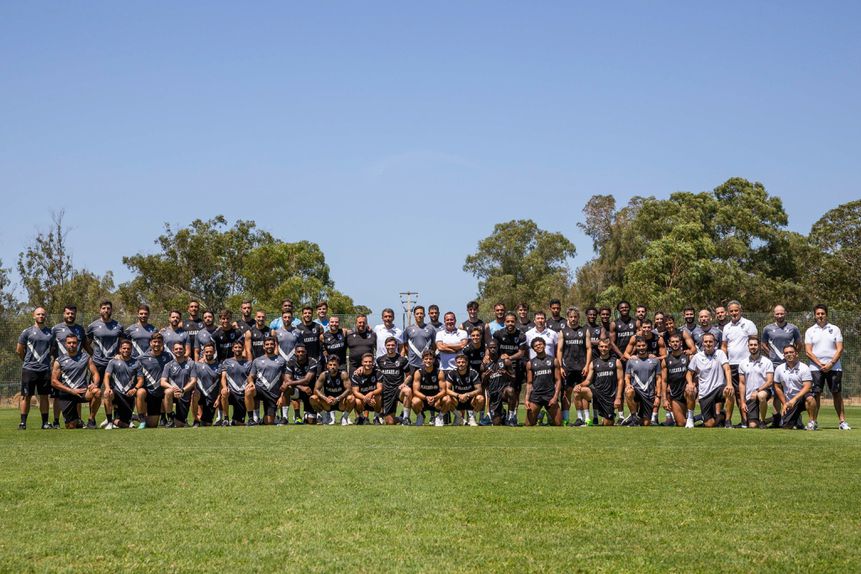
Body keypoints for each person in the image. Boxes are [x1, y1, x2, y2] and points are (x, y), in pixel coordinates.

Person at [804, 304, 850, 430]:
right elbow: (808, 351)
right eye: (818, 314)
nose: (820, 316)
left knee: (836, 394)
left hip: (834, 368)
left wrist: (830, 364)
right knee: (816, 395)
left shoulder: (835, 329)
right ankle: (812, 422)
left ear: (826, 314)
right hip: (815, 368)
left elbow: (840, 349)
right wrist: (820, 364)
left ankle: (842, 422)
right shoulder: (810, 331)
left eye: (822, 313)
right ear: (815, 315)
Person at [761, 304, 802, 426]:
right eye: (777, 313)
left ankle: (795, 418)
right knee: (777, 393)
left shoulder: (793, 328)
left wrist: (792, 357)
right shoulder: (767, 329)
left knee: (792, 391)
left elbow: (799, 343)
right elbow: (763, 344)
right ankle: (777, 419)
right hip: (774, 365)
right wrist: (771, 354)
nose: (779, 315)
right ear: (774, 314)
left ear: (785, 313)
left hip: (789, 365)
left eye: (781, 313)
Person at [51, 333, 102, 429]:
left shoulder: (85, 357)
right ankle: (77, 421)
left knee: (97, 392)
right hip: (67, 394)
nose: (72, 345)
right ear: (65, 344)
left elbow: (95, 373)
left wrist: (95, 384)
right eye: (69, 343)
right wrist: (71, 391)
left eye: (74, 343)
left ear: (77, 344)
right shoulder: (59, 360)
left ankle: (91, 420)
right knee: (71, 426)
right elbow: (53, 381)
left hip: (83, 392)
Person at [86, 300, 125, 423]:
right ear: (100, 310)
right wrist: (94, 355)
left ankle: (116, 418)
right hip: (98, 364)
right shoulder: (93, 326)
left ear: (111, 310)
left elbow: (123, 343)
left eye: (108, 308)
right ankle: (91, 418)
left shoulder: (118, 326)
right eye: (103, 308)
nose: (106, 310)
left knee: (116, 391)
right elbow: (86, 344)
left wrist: (119, 354)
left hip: (114, 364)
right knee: (94, 391)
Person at [16, 307, 55, 429]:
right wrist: (26, 361)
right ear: (34, 316)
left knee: (44, 396)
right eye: (38, 314)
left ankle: (45, 423)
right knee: (26, 396)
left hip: (45, 370)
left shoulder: (51, 333)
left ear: (45, 316)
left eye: (43, 314)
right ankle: (23, 423)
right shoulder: (26, 332)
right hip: (29, 369)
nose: (41, 316)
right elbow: (19, 350)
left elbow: (53, 349)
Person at [721, 301, 758, 426]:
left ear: (740, 310)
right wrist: (723, 361)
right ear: (728, 312)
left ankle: (746, 420)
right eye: (731, 311)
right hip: (731, 365)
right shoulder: (727, 327)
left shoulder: (749, 324)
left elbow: (754, 342)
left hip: (746, 364)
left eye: (736, 310)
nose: (734, 313)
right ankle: (733, 421)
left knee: (745, 392)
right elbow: (724, 346)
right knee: (734, 392)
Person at [686, 333, 733, 428]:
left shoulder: (720, 353)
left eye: (710, 341)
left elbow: (727, 369)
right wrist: (690, 383)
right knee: (709, 424)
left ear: (715, 343)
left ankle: (728, 422)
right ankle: (721, 415)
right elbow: (689, 373)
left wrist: (729, 384)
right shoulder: (697, 357)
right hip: (705, 394)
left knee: (730, 392)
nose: (708, 343)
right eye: (706, 341)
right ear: (702, 343)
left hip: (719, 388)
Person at [493, 312, 528, 426]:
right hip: (501, 367)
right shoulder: (498, 334)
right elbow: (494, 350)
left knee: (515, 393)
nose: (510, 323)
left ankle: (513, 417)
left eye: (512, 321)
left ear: (516, 322)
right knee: (499, 391)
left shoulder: (521, 335)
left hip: (516, 367)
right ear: (505, 322)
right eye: (508, 321)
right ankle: (500, 413)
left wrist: (509, 357)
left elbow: (521, 353)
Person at [557, 306, 591, 426]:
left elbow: (588, 348)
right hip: (568, 368)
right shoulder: (563, 332)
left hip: (581, 367)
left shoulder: (584, 331)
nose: (573, 319)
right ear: (567, 318)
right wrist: (560, 366)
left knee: (582, 392)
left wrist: (587, 365)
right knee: (567, 393)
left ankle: (586, 418)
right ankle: (566, 419)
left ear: (578, 318)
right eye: (571, 317)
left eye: (575, 317)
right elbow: (560, 350)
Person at [579, 338, 623, 426]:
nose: (603, 349)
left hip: (610, 396)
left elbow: (620, 380)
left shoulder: (616, 362)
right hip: (597, 394)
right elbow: (588, 380)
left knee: (608, 424)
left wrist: (618, 397)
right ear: (598, 347)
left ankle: (607, 418)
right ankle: (583, 419)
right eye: (601, 346)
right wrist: (580, 385)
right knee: (578, 391)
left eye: (606, 347)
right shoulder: (593, 363)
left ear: (610, 347)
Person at [773, 345, 816, 430]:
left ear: (796, 354)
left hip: (801, 397)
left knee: (810, 398)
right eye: (786, 353)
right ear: (784, 355)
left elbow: (807, 387)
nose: (789, 354)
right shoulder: (779, 369)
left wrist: (795, 399)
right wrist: (784, 403)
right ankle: (797, 420)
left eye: (791, 352)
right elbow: (777, 387)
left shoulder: (804, 368)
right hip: (789, 402)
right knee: (786, 426)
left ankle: (812, 422)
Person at [246, 336, 287, 426]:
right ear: (264, 346)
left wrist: (281, 396)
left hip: (273, 394)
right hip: (260, 389)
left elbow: (285, 381)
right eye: (267, 344)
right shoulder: (257, 360)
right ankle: (250, 419)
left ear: (275, 345)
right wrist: (251, 382)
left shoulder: (281, 360)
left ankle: (265, 419)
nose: (269, 346)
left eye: (271, 344)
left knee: (269, 422)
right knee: (249, 390)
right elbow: (250, 376)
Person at [135, 332, 172, 429]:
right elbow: (130, 362)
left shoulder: (168, 357)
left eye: (159, 342)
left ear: (162, 343)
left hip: (161, 391)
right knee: (140, 392)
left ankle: (133, 417)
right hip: (149, 392)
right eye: (154, 342)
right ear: (150, 343)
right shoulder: (142, 358)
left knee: (152, 425)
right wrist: (118, 357)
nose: (156, 344)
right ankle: (141, 419)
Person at [622, 337, 662, 426]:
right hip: (636, 391)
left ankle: (633, 420)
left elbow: (659, 379)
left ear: (647, 346)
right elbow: (627, 377)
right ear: (636, 347)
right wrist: (628, 384)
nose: (641, 347)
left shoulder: (655, 360)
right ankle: (633, 416)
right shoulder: (631, 361)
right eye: (639, 346)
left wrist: (658, 396)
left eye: (643, 345)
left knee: (646, 423)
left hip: (648, 394)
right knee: (629, 392)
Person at [738, 335, 774, 429]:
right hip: (750, 396)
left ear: (759, 346)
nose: (753, 347)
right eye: (751, 345)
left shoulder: (767, 362)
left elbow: (770, 381)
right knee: (752, 426)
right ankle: (772, 419)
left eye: (755, 345)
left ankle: (762, 421)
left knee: (761, 396)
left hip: (764, 391)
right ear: (748, 346)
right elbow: (742, 384)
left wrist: (758, 390)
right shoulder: (742, 363)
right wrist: (742, 402)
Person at [524, 338, 562, 426]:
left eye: (540, 344)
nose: (538, 347)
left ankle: (549, 416)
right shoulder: (530, 363)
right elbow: (529, 383)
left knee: (558, 424)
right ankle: (539, 416)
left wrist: (555, 397)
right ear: (533, 349)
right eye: (536, 346)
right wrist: (526, 400)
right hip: (536, 396)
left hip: (550, 395)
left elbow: (558, 380)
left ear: (544, 345)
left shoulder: (554, 361)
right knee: (528, 425)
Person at [376, 337, 413, 425]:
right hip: (387, 391)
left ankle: (406, 418)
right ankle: (400, 419)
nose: (391, 347)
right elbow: (374, 372)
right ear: (385, 346)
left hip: (398, 389)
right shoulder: (380, 360)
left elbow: (409, 375)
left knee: (407, 391)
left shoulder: (402, 359)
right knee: (390, 422)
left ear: (396, 346)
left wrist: (404, 384)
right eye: (388, 345)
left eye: (393, 345)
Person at [104, 340, 139, 428]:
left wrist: (135, 389)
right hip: (116, 393)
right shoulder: (113, 362)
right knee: (107, 393)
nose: (126, 350)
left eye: (128, 348)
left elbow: (141, 379)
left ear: (131, 350)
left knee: (126, 425)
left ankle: (115, 420)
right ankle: (109, 422)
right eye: (124, 348)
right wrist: (107, 388)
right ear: (120, 349)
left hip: (129, 395)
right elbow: (107, 376)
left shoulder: (136, 362)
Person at [411, 350, 452, 426]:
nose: (428, 361)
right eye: (426, 359)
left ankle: (439, 417)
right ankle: (420, 417)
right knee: (414, 401)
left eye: (430, 359)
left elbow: (444, 390)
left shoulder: (439, 372)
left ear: (434, 360)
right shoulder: (418, 372)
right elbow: (415, 391)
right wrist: (426, 397)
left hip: (436, 401)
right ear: (423, 360)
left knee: (448, 399)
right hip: (423, 400)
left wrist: (435, 397)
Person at [160, 342, 196, 427]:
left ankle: (180, 419)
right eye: (176, 349)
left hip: (185, 394)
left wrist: (183, 390)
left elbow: (193, 380)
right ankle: (170, 418)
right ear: (173, 350)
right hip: (173, 392)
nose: (178, 350)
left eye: (180, 349)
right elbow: (163, 382)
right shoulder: (168, 365)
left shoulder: (191, 364)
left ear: (184, 350)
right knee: (168, 391)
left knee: (180, 424)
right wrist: (173, 388)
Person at [311, 356, 354, 425]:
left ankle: (344, 417)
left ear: (338, 366)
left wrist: (337, 398)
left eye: (334, 365)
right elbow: (316, 390)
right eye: (330, 365)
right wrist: (326, 398)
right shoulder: (323, 375)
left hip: (340, 402)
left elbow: (349, 390)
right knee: (313, 398)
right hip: (328, 403)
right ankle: (324, 417)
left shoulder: (343, 374)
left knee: (351, 398)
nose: (332, 367)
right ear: (327, 366)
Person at [482, 341, 516, 426]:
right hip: (494, 394)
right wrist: (485, 377)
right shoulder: (484, 364)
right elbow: (483, 384)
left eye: (495, 347)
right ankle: (502, 414)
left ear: (498, 348)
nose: (493, 349)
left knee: (510, 390)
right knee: (496, 423)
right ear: (488, 349)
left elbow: (514, 378)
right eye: (491, 348)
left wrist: (506, 374)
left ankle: (511, 417)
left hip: (503, 391)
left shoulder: (505, 361)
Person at [284, 344, 320, 424]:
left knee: (311, 422)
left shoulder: (312, 362)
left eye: (302, 351)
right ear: (295, 353)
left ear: (306, 352)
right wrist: (301, 387)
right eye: (298, 352)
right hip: (299, 390)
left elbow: (307, 380)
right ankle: (288, 417)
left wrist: (289, 382)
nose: (300, 353)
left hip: (309, 392)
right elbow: (287, 378)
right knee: (288, 388)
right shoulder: (291, 362)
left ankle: (307, 415)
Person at [445, 354, 484, 426]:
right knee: (446, 399)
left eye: (463, 362)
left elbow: (479, 390)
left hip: (470, 400)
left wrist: (467, 395)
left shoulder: (473, 372)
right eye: (459, 362)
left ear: (467, 363)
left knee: (480, 398)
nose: (461, 364)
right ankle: (458, 416)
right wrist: (458, 395)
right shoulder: (452, 373)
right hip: (457, 399)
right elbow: (446, 389)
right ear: (456, 363)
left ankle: (472, 417)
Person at [219, 340, 252, 425]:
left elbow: (250, 377)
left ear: (243, 349)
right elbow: (223, 377)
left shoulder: (248, 363)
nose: (237, 349)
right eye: (235, 347)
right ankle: (225, 419)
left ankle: (234, 421)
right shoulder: (227, 362)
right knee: (224, 393)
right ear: (232, 349)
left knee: (238, 423)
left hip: (242, 395)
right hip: (231, 394)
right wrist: (224, 387)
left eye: (240, 347)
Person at [662, 334, 691, 427]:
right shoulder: (666, 360)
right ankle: (700, 417)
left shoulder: (688, 357)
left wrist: (692, 385)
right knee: (681, 423)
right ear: (669, 344)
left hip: (688, 393)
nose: (675, 344)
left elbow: (695, 376)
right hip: (675, 394)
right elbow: (664, 381)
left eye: (677, 341)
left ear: (681, 343)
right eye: (673, 342)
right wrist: (665, 399)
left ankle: (691, 418)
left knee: (690, 391)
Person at [350, 353, 383, 424]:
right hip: (363, 400)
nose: (368, 363)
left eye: (370, 362)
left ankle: (376, 417)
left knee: (378, 397)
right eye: (365, 362)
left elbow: (380, 388)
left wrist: (372, 393)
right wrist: (365, 398)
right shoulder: (356, 375)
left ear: (373, 363)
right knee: (357, 401)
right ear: (362, 363)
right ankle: (362, 417)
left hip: (373, 399)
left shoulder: (378, 372)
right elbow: (355, 392)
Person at [403, 305, 437, 375]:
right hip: (413, 363)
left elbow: (434, 345)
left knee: (426, 384)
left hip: (427, 363)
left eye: (421, 313)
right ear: (414, 315)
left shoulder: (431, 328)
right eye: (417, 314)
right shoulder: (408, 329)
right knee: (411, 384)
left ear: (424, 315)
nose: (419, 315)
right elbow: (405, 345)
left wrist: (429, 356)